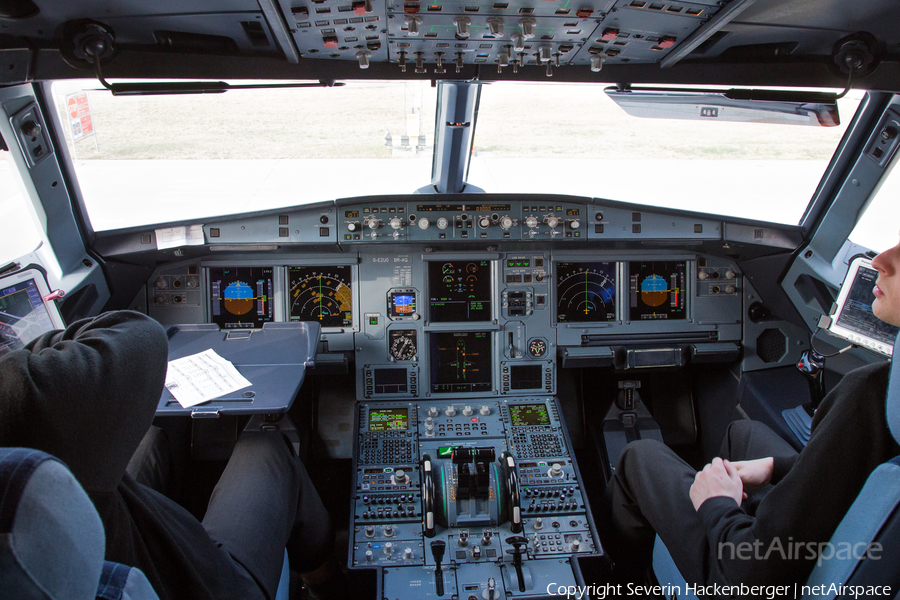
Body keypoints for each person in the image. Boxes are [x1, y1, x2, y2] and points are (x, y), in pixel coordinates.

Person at [598, 239, 900, 588]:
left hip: (748, 576)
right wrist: (776, 467)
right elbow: (852, 472)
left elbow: (752, 574)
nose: (879, 260)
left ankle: (621, 580)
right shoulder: (884, 394)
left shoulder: (871, 393)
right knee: (745, 433)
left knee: (639, 456)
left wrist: (717, 506)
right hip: (826, 542)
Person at [0, 310, 334, 600]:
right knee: (265, 448)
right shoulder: (21, 405)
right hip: (197, 589)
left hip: (100, 552)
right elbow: (140, 333)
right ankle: (326, 587)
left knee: (151, 437)